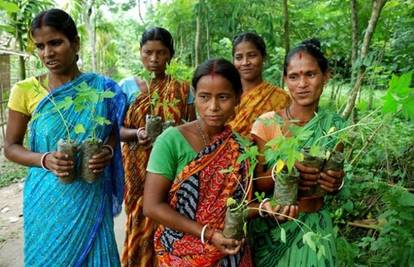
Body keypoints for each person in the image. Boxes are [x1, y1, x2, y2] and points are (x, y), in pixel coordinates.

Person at [4, 9, 126, 266]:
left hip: (91, 194)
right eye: (40, 46)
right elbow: (11, 147)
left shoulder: (101, 90)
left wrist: (107, 151)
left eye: (55, 42)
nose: (47, 53)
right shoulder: (25, 90)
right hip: (46, 197)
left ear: (75, 42)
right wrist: (45, 159)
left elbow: (112, 134)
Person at [143, 58, 254, 266]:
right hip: (179, 254)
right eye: (204, 97)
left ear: (238, 98)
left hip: (231, 253)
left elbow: (240, 206)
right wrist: (209, 234)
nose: (213, 107)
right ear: (194, 95)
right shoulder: (171, 141)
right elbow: (151, 206)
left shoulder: (242, 147)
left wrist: (269, 207)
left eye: (223, 97)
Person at [248, 39, 346, 266]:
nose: (302, 84)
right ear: (285, 80)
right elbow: (258, 181)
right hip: (275, 227)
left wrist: (336, 182)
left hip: (316, 228)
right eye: (294, 76)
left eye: (310, 74)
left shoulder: (336, 125)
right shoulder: (267, 123)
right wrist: (282, 170)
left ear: (326, 76)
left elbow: (334, 179)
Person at [120, 27, 196, 266]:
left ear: (170, 55)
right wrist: (137, 133)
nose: (154, 59)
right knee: (140, 214)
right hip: (137, 169)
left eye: (161, 53)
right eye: (148, 52)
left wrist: (172, 132)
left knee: (171, 213)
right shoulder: (127, 87)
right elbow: (117, 129)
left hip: (172, 166)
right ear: (140, 53)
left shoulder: (183, 89)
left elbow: (193, 126)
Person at [229, 32, 290, 137]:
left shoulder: (280, 98)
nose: (245, 62)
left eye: (252, 56)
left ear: (263, 58)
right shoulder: (225, 95)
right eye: (239, 57)